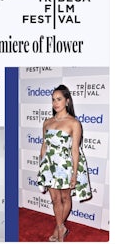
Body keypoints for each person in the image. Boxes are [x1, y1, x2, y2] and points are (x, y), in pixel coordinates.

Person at [37, 85, 92, 242]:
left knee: (65, 198)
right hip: (49, 166)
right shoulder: (47, 122)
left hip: (65, 166)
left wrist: (74, 174)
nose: (55, 103)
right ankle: (61, 228)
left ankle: (59, 228)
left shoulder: (74, 123)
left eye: (59, 99)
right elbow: (44, 146)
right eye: (53, 100)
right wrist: (41, 167)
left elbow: (75, 150)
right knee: (55, 200)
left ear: (67, 101)